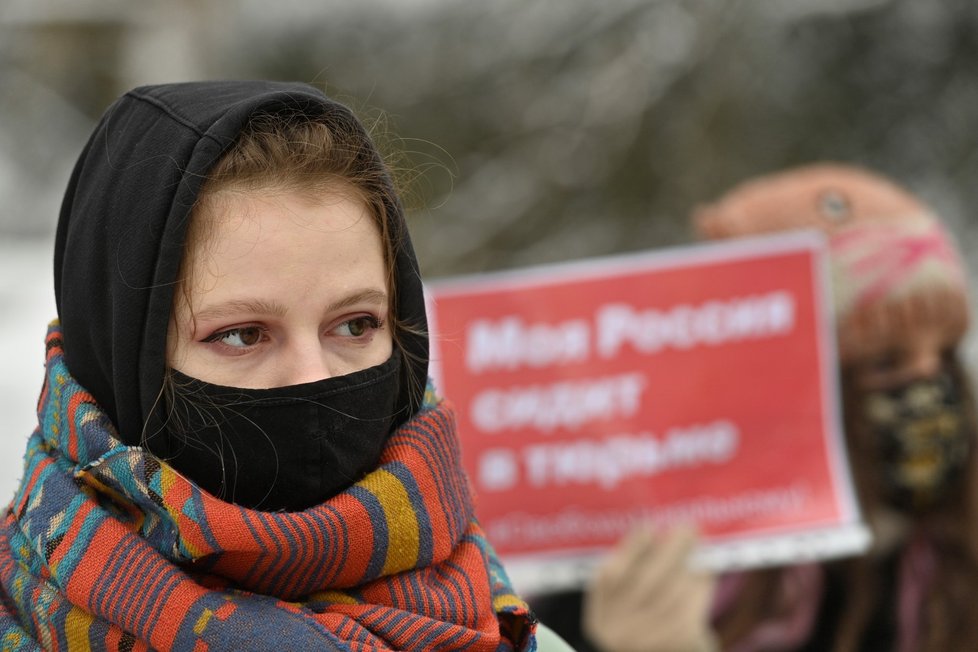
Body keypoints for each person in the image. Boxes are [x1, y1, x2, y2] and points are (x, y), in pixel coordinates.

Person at [0, 80, 573, 651]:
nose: (314, 379)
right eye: (242, 334)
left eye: (356, 325)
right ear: (117, 358)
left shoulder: (503, 628)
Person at [539, 163, 978, 651]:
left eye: (945, 357)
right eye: (884, 363)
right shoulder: (637, 577)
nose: (930, 388)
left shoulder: (956, 568)